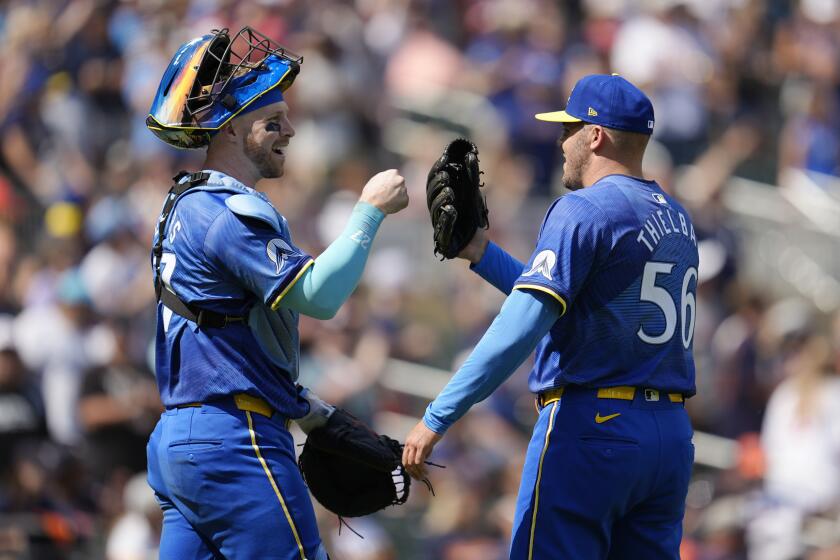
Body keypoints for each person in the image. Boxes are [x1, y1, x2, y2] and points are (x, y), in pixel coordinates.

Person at [403, 74, 699, 559]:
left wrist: (437, 416)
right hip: (667, 436)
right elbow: (575, 307)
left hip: (593, 426)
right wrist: (483, 253)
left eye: (568, 130)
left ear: (595, 135)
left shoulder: (583, 209)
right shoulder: (677, 217)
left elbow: (523, 323)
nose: (560, 142)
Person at [143, 27, 407, 559]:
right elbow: (318, 296)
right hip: (235, 442)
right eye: (272, 121)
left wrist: (308, 410)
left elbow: (224, 340)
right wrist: (370, 211)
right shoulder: (224, 212)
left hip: (181, 440)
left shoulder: (184, 204)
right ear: (231, 131)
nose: (290, 129)